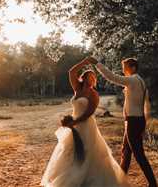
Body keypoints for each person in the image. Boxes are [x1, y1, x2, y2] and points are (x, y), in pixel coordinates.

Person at [41, 58, 131, 187]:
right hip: (74, 125)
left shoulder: (93, 94)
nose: (92, 79)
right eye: (90, 76)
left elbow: (89, 112)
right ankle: (71, 175)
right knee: (70, 150)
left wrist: (75, 122)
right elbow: (71, 72)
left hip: (86, 126)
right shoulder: (77, 89)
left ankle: (87, 180)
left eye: (94, 78)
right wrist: (85, 62)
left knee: (88, 152)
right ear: (84, 78)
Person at [87, 57, 158, 187]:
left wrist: (97, 63)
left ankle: (153, 184)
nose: (123, 70)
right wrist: (144, 121)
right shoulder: (140, 81)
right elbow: (146, 104)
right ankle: (119, 181)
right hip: (137, 119)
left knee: (138, 154)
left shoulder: (133, 80)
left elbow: (112, 77)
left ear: (133, 68)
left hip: (133, 121)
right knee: (126, 151)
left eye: (125, 67)